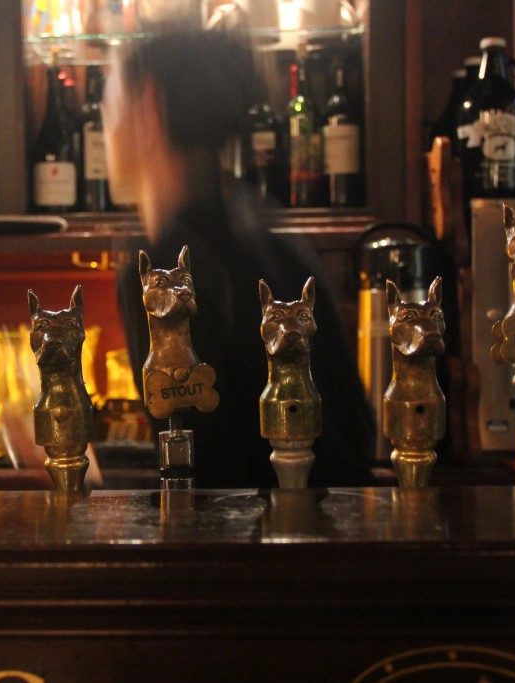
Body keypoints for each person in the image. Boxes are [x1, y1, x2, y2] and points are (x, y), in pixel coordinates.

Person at [104, 31, 374, 488]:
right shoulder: (265, 227)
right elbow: (353, 430)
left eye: (110, 101)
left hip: (260, 533)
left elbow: (200, 478)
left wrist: (80, 483)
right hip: (331, 522)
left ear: (147, 107)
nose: (105, 121)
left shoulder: (162, 272)